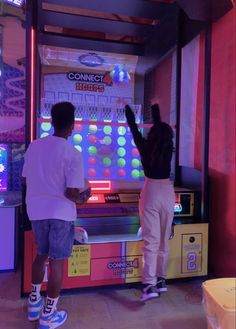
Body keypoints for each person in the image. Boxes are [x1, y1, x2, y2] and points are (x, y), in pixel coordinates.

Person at [22, 102, 90, 328]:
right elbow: (72, 192)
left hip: (36, 210)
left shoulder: (34, 146)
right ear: (72, 126)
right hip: (61, 213)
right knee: (57, 262)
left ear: (51, 121)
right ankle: (48, 316)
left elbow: (25, 180)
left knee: (41, 254)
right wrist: (84, 197)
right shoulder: (73, 153)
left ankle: (34, 304)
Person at [125, 104, 175, 302]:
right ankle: (161, 280)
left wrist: (128, 111)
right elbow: (161, 128)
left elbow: (133, 128)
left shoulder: (146, 147)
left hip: (151, 191)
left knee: (151, 241)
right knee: (163, 239)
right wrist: (156, 112)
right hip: (168, 192)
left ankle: (148, 285)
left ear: (152, 133)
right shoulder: (168, 147)